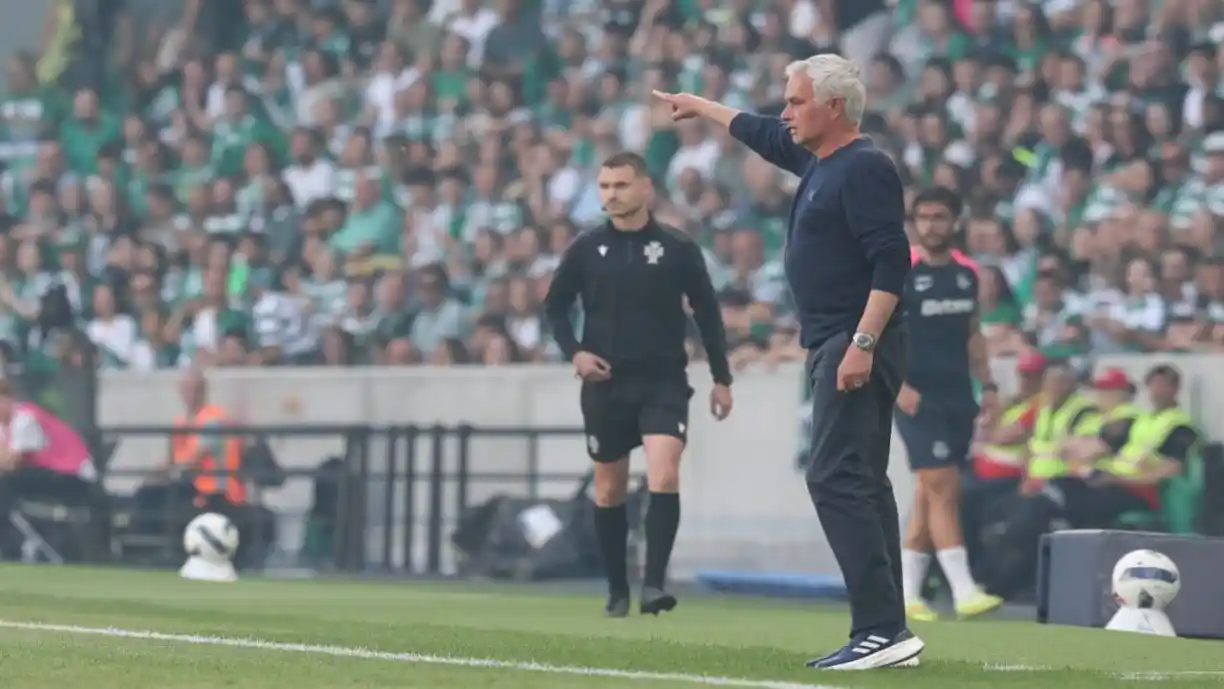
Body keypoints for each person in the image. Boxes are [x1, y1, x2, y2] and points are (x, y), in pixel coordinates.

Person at [653, 54, 920, 669]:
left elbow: (892, 262)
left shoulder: (864, 167)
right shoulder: (819, 158)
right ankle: (890, 629)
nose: (786, 112)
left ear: (834, 108)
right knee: (864, 482)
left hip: (851, 340)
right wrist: (701, 106)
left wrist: (861, 343)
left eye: (797, 101)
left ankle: (880, 628)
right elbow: (762, 132)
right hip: (834, 339)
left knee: (834, 476)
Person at [542, 151, 733, 618]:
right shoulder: (586, 249)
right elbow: (555, 307)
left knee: (664, 472)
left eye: (621, 185)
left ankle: (653, 584)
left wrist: (721, 377)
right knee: (609, 490)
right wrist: (577, 353)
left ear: (646, 188)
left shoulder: (677, 247)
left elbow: (707, 312)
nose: (611, 194)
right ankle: (616, 588)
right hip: (606, 385)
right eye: (605, 187)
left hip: (663, 381)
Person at [894, 187, 1003, 623]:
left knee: (929, 492)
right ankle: (964, 589)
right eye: (923, 217)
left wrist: (989, 384)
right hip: (915, 396)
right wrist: (897, 385)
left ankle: (906, 594)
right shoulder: (902, 271)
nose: (930, 225)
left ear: (955, 221)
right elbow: (879, 329)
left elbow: (974, 333)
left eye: (939, 216)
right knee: (942, 486)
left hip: (958, 394)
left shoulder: (967, 274)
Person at [0, 380, 97, 538]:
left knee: (7, 482)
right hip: (50, 472)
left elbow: (12, 463)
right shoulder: (5, 425)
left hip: (72, 474)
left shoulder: (24, 419)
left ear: (8, 399)